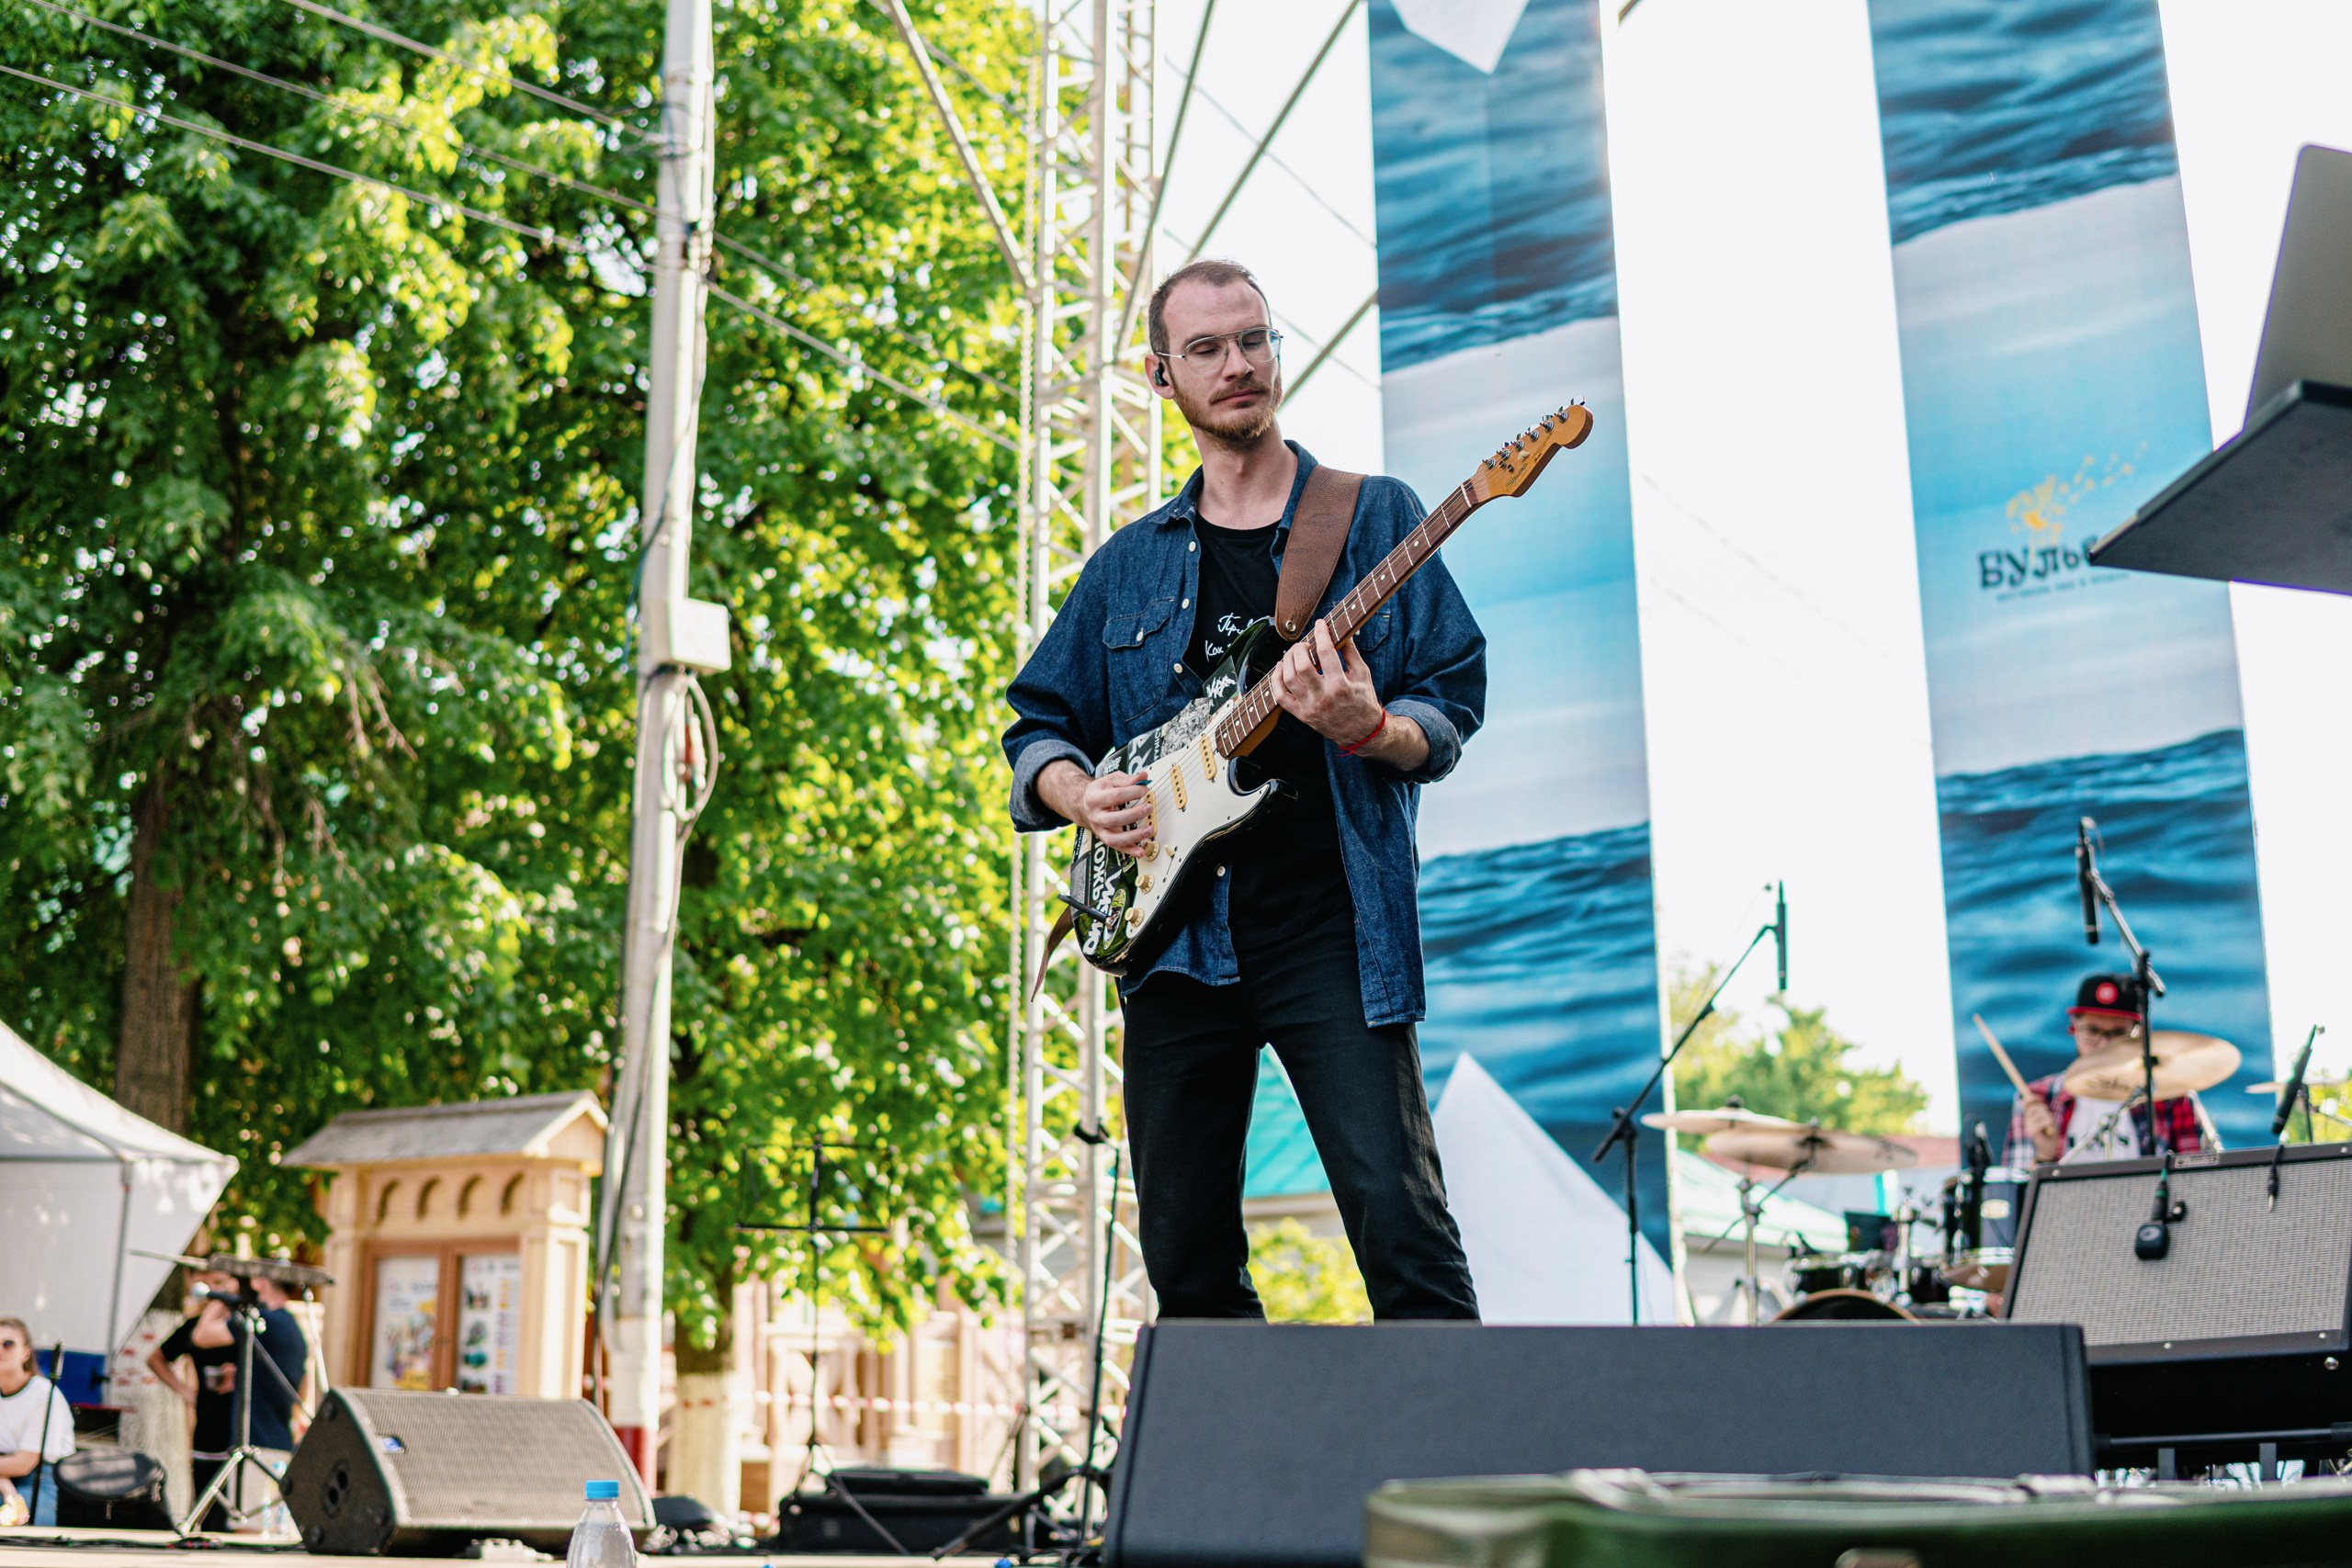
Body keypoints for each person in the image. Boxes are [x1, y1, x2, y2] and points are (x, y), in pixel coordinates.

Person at [1003, 257, 1483, 1321]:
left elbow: (1451, 701)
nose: (1238, 365)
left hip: (1330, 929)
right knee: (1187, 1267)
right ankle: (1230, 1485)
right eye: (1207, 349)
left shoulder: (1373, 518)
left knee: (1403, 1235)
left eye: (1254, 341)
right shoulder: (1126, 569)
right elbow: (1037, 726)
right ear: (1162, 377)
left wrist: (1376, 730)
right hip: (1173, 947)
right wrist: (1081, 795)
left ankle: (1462, 1482)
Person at [150, 1271, 309, 1531]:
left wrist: (219, 1301)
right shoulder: (289, 1324)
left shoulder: (266, 1322)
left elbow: (202, 1336)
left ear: (260, 1283)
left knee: (248, 1530)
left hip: (259, 1443)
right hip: (272, 1441)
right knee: (262, 1528)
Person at [2004, 973, 2215, 1167]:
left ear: (2139, 1036)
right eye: (2092, 1031)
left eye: (2117, 1034)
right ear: (2073, 1028)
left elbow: (2204, 1182)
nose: (2104, 1044)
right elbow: (2014, 1199)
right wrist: (2044, 1157)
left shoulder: (2172, 1096)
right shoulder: (2039, 1098)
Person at [0, 1317, 76, 1528]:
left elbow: (24, 1463)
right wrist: (7, 1488)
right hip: (3, 1470)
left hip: (42, 1477)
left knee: (21, 1527)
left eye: (8, 1344)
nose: (1, 1350)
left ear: (26, 1352)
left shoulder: (43, 1394)